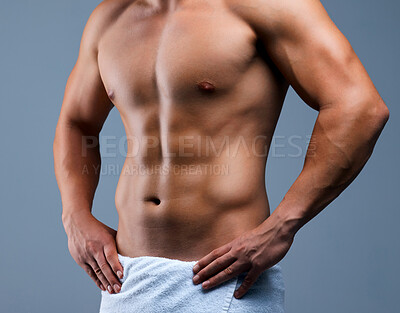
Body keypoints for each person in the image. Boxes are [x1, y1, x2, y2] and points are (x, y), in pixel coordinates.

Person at [53, 0, 389, 312]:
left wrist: (283, 224)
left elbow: (360, 108)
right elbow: (77, 122)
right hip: (129, 281)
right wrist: (74, 217)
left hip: (226, 282)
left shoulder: (269, 5)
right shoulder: (110, 17)